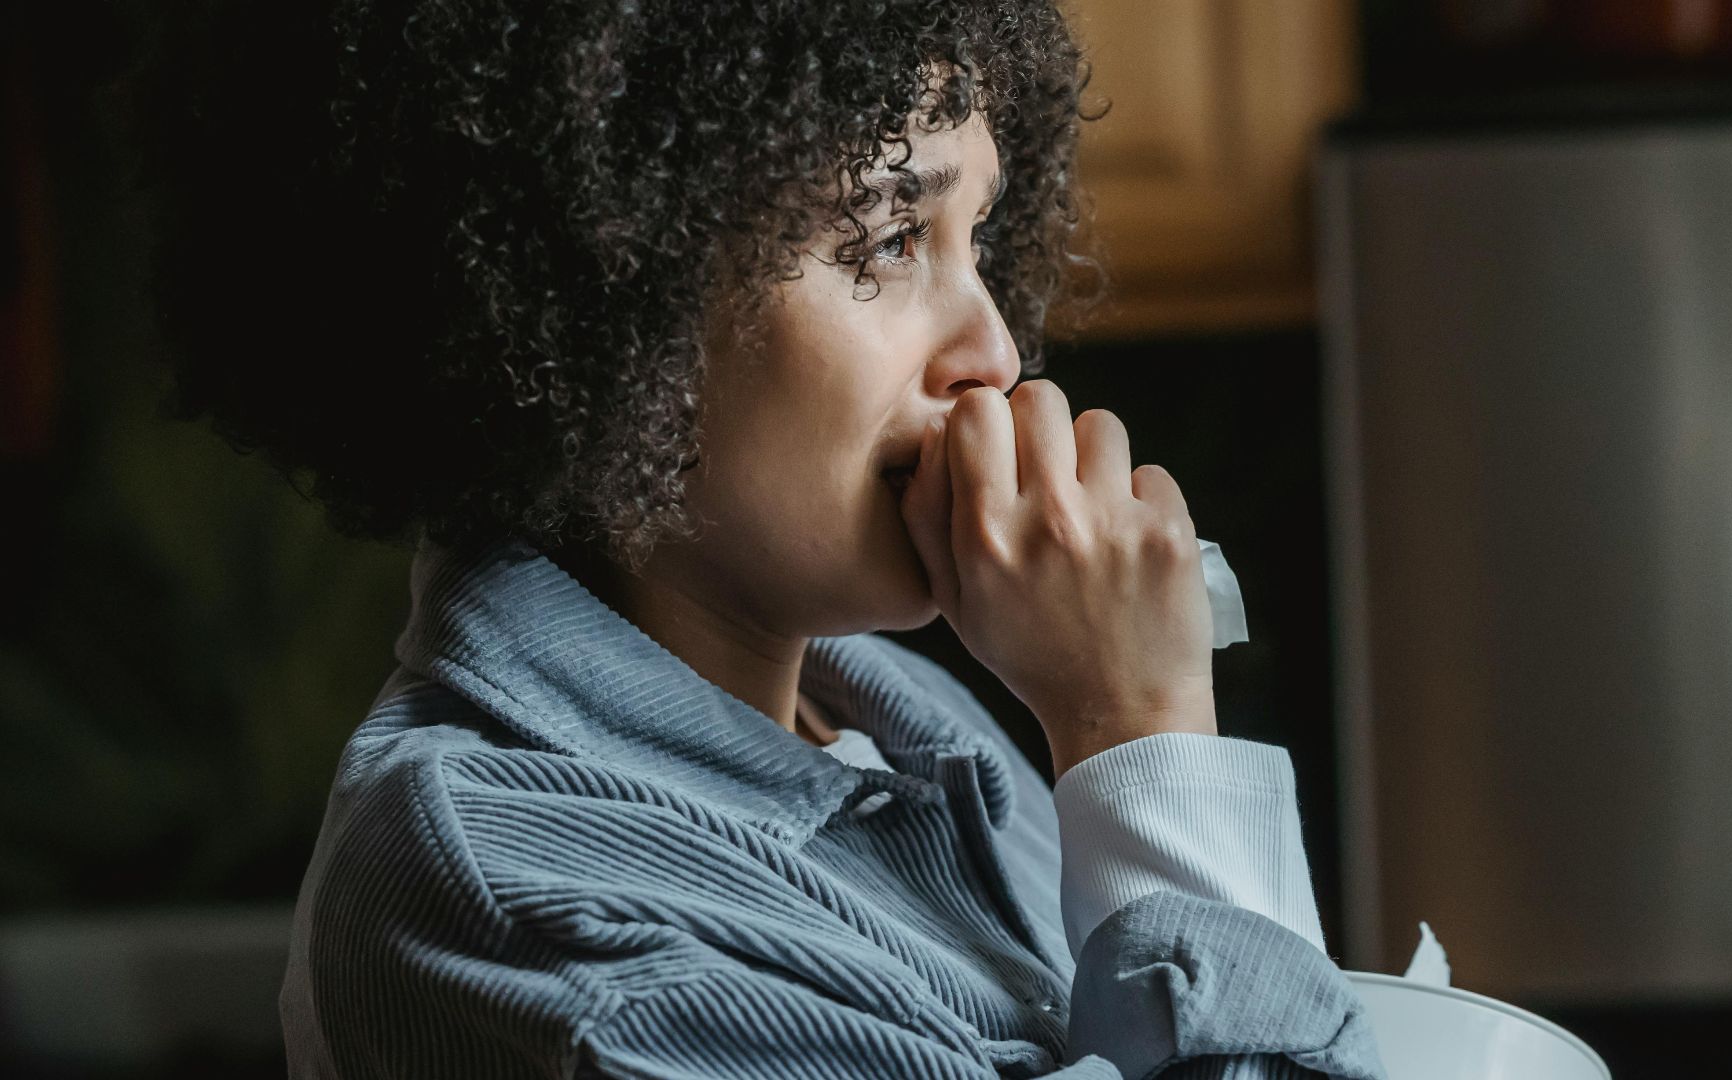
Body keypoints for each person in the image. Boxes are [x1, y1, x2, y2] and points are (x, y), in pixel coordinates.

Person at [142, 1, 1385, 1076]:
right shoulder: (538, 910)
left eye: (979, 237)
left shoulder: (895, 712)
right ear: (614, 287)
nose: (996, 354)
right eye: (892, 239)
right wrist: (1138, 731)